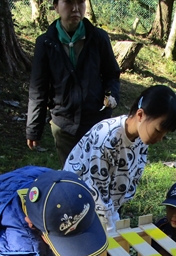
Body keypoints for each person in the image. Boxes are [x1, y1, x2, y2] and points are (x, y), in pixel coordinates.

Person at [63, 85, 176, 233]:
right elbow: (96, 191)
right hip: (76, 206)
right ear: (140, 115)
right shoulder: (106, 138)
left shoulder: (141, 140)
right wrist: (111, 228)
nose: (160, 138)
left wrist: (114, 217)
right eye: (158, 131)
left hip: (106, 208)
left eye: (164, 135)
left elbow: (131, 179)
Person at [26, 0, 121, 163]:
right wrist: (34, 129)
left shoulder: (98, 38)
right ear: (56, 6)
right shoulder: (46, 43)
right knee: (71, 179)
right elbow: (38, 89)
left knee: (97, 173)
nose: (76, 8)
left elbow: (111, 75)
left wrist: (111, 95)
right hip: (64, 124)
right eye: (69, 2)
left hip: (97, 122)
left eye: (80, 2)